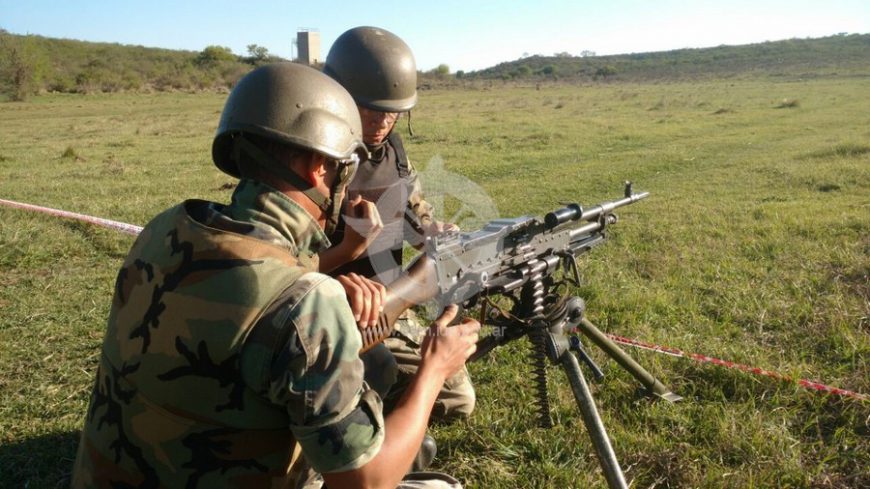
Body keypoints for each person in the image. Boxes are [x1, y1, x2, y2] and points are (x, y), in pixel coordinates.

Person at [71, 62, 479, 489]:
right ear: (319, 169)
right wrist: (435, 368)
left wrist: (342, 254)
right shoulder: (307, 304)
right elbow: (366, 482)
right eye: (344, 165)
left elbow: (259, 284)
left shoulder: (166, 228)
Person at [323, 26, 476, 422]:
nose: (383, 120)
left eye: (393, 111)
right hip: (323, 307)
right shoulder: (313, 158)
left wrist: (429, 230)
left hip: (389, 300)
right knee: (375, 371)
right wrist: (342, 258)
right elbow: (282, 265)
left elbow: (409, 209)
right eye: (370, 108)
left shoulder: (392, 149)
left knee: (459, 398)